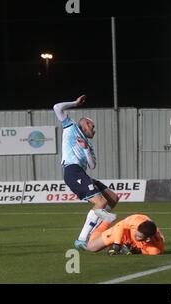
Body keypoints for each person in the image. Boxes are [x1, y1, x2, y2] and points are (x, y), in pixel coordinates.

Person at [53, 95, 119, 250]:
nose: (94, 130)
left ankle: (97, 225)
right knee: (100, 203)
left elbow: (92, 164)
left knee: (113, 199)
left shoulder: (88, 145)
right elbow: (57, 107)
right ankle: (82, 239)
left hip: (82, 173)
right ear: (86, 124)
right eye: (93, 126)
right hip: (72, 171)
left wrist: (85, 149)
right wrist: (75, 103)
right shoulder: (71, 126)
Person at [87, 214, 165, 255]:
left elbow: (151, 251)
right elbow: (119, 226)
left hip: (133, 243)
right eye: (136, 233)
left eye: (139, 237)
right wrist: (117, 244)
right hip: (123, 233)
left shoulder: (156, 247)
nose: (136, 236)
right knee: (91, 247)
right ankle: (106, 220)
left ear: (148, 239)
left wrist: (136, 251)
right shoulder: (135, 220)